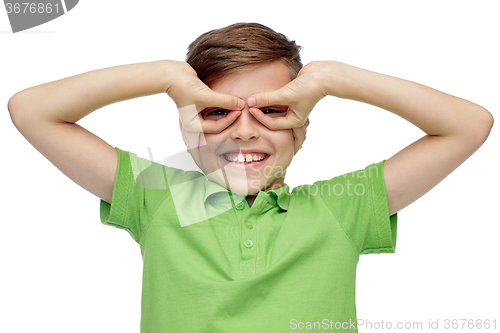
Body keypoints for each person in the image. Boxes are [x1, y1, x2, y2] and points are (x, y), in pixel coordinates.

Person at [7, 22, 493, 332]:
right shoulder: (158, 198)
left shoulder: (343, 207)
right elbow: (31, 111)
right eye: (216, 112)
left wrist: (331, 78)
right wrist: (164, 76)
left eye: (273, 111)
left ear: (302, 129)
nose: (243, 131)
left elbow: (469, 126)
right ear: (187, 126)